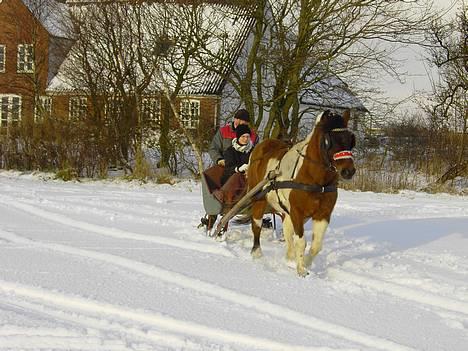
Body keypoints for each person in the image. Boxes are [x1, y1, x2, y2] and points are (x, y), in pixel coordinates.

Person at [213, 124, 253, 206]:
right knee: (237, 176)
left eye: (247, 137)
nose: (245, 139)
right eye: (243, 136)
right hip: (230, 180)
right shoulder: (230, 151)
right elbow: (228, 169)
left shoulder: (252, 150)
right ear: (238, 137)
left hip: (248, 178)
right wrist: (238, 169)